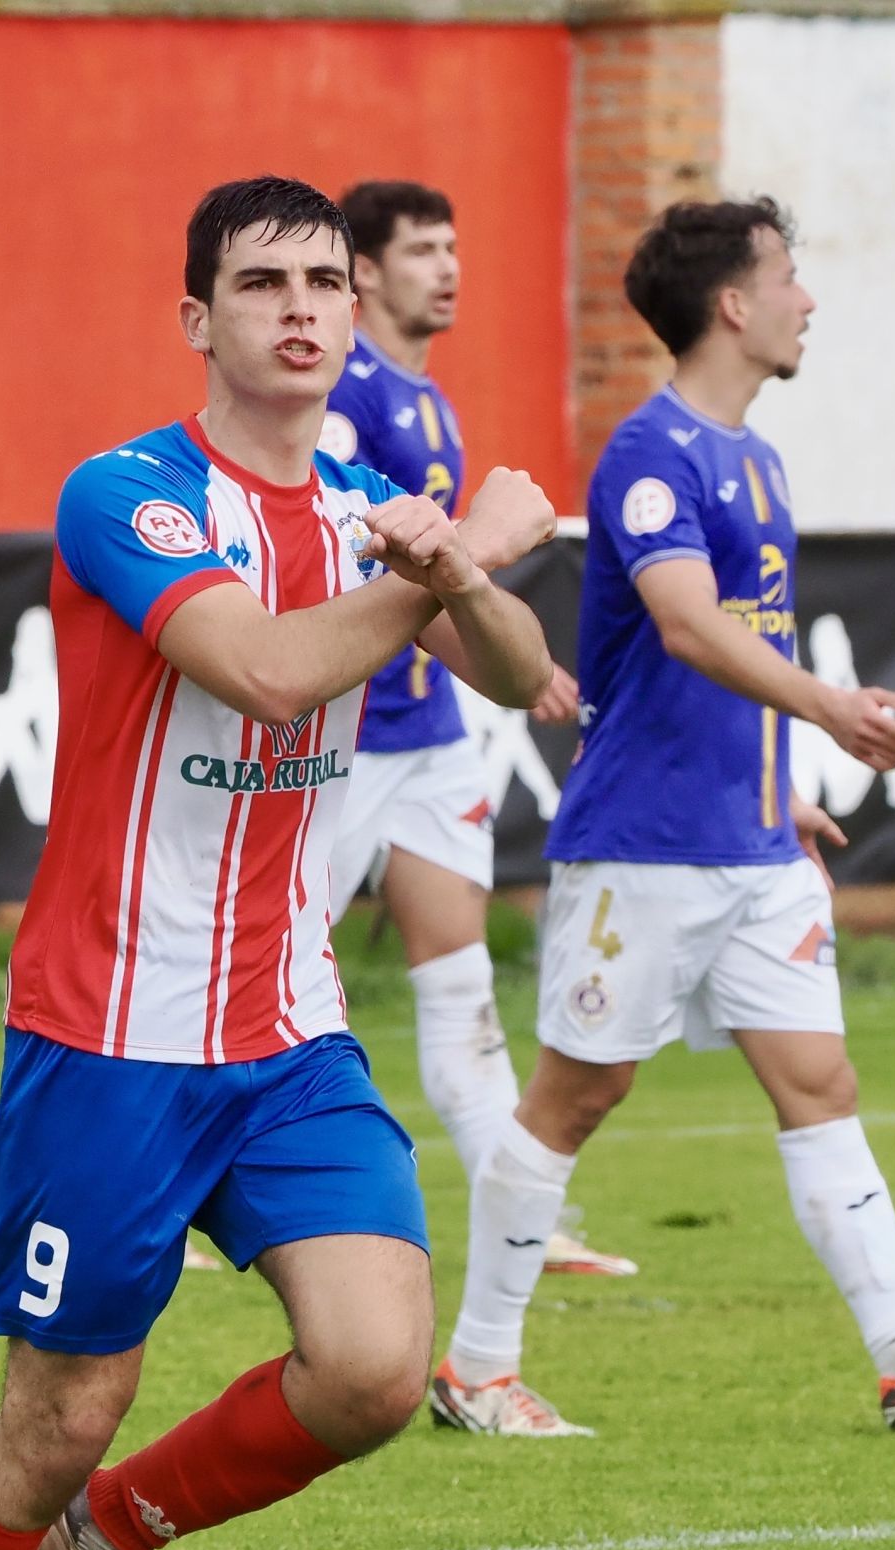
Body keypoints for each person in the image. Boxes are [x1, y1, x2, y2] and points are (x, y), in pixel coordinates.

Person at [0, 175, 557, 1550]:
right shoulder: (128, 494)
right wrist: (460, 553)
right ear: (199, 317)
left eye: (326, 282)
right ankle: (56, 1504)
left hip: (285, 1025)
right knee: (63, 1414)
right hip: (110, 1026)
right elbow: (264, 672)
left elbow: (516, 673)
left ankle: (108, 1535)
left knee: (377, 1369)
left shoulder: (365, 501)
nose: (303, 308)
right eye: (264, 284)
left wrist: (461, 569)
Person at [430, 198, 895, 1438]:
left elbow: (739, 649)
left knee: (821, 1082)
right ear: (733, 303)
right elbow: (684, 623)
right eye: (789, 276)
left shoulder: (758, 460)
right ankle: (474, 1369)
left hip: (756, 842)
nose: (807, 299)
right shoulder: (650, 454)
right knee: (577, 1095)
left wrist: (785, 787)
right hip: (645, 845)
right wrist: (828, 705)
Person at [319, 179, 632, 1279]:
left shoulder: (428, 396)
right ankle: (181, 1195)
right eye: (422, 250)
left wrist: (510, 658)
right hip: (341, 741)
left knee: (459, 984)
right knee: (268, 978)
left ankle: (524, 1218)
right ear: (363, 271)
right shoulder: (347, 397)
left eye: (455, 246)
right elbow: (345, 558)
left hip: (431, 733)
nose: (448, 267)